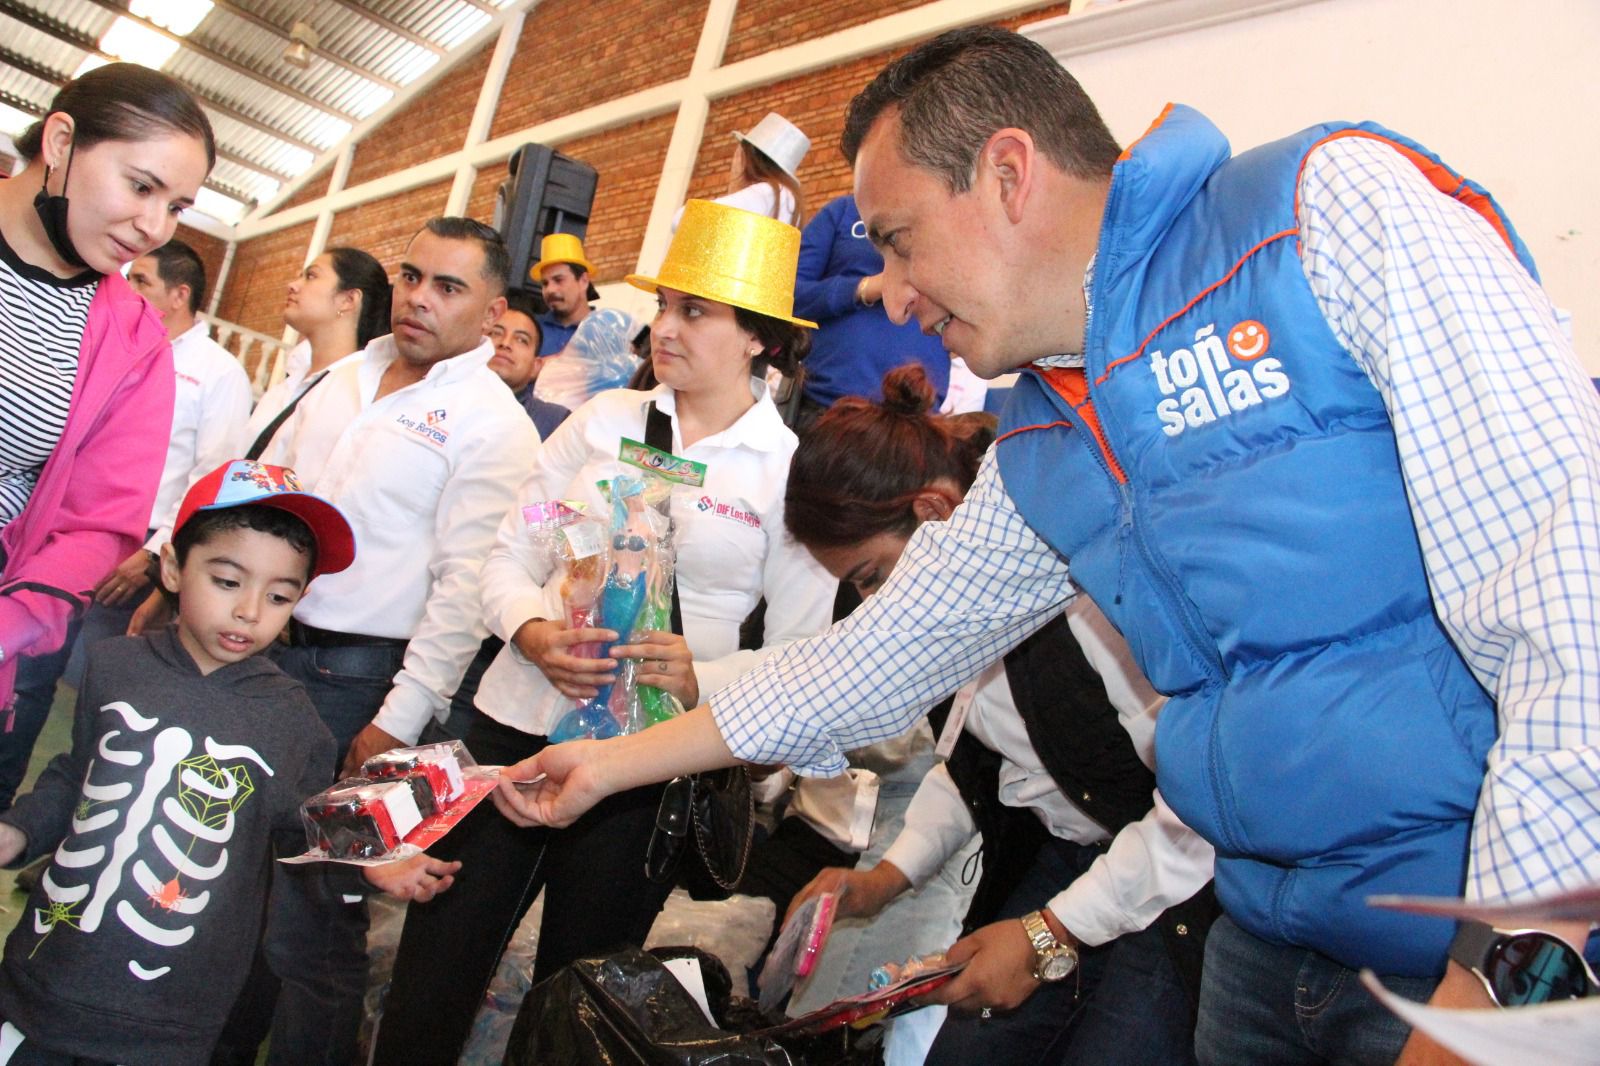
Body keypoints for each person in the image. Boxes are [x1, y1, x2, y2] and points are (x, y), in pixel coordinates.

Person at [496, 26, 1600, 1066]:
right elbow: (874, 659)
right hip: (1263, 940)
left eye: (897, 240)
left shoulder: (1319, 216)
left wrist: (1501, 987)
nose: (890, 294)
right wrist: (604, 765)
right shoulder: (1047, 434)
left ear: (1008, 173)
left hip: (1468, 948)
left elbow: (1570, 598)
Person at [373, 198, 837, 1065]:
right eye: (665, 305)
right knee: (434, 969)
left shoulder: (788, 475)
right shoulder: (602, 425)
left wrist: (701, 678)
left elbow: (800, 656)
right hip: (517, 726)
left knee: (578, 1004)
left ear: (759, 339)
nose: (667, 328)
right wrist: (531, 629)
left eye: (695, 311)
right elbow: (514, 548)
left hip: (648, 767)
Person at [780, 365, 1213, 1065]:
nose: (873, 607)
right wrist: (883, 880)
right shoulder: (952, 623)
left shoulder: (1089, 602)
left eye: (872, 578)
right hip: (1071, 857)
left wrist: (1050, 933)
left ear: (935, 511)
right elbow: (977, 759)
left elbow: (1200, 814)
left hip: (1180, 882)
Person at [0, 459, 457, 1066]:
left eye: (278, 596)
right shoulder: (114, 667)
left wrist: (374, 855)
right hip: (43, 976)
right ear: (173, 567)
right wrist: (19, 829)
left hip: (172, 1016)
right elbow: (76, 773)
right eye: (227, 581)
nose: (249, 611)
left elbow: (307, 826)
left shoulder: (293, 720)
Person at [219, 217, 538, 1066]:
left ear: (493, 311)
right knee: (242, 880)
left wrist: (399, 716)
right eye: (412, 276)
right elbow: (273, 495)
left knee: (317, 919)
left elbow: (464, 589)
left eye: (448, 287)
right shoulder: (344, 374)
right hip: (266, 651)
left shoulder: (492, 423)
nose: (419, 298)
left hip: (361, 682)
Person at [0, 238, 253, 814]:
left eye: (143, 280)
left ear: (179, 294)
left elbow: (211, 476)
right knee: (35, 670)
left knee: (88, 691)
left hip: (142, 556)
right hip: (61, 535)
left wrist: (156, 555)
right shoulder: (110, 335)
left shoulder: (218, 372)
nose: (129, 289)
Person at [0, 63, 212, 745]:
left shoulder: (135, 339)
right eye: (141, 186)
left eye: (176, 207)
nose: (154, 226)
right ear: (60, 142)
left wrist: (11, 625)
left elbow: (99, 519)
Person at [791, 194, 951, 423]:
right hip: (830, 403)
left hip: (917, 410)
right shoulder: (842, 211)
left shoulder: (946, 212)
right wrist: (865, 288)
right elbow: (790, 293)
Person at [243, 246, 394, 455]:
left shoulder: (356, 390)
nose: (293, 285)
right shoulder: (290, 381)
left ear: (348, 300)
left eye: (311, 276)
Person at [675, 112, 809, 230]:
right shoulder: (788, 200)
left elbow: (681, 220)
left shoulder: (768, 192)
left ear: (747, 157)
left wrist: (734, 188)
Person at [489, 288, 569, 439]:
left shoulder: (555, 421)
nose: (505, 343)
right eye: (496, 333)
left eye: (521, 340)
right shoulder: (445, 395)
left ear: (535, 366)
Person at [529, 232, 596, 355]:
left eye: (558, 280)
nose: (550, 290)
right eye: (545, 283)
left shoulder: (605, 332)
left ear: (583, 281)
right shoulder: (530, 328)